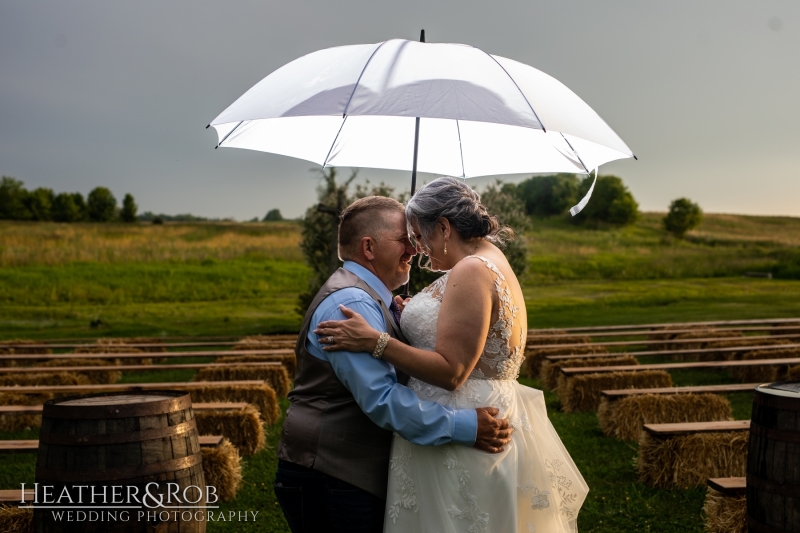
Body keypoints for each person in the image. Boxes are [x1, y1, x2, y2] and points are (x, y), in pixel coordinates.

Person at [315, 177, 589, 533]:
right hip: (483, 407)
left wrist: (376, 341)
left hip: (462, 423)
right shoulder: (490, 259)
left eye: (419, 237)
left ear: (443, 228)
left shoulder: (472, 270)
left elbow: (452, 371)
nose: (418, 250)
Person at [275, 195, 514, 533]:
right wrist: (465, 426)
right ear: (369, 248)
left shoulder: (371, 300)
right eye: (404, 240)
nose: (414, 249)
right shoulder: (351, 305)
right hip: (331, 476)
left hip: (345, 475)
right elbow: (383, 401)